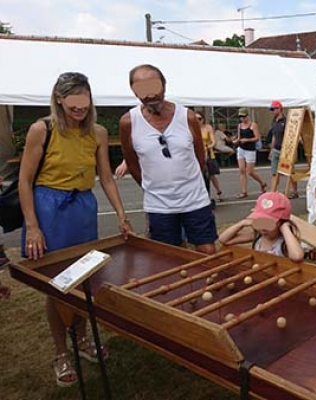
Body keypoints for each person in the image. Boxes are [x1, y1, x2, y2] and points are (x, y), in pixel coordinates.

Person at [19, 72, 134, 386]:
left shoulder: (97, 132)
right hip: (49, 208)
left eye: (85, 104)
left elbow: (106, 177)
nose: (80, 110)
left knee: (84, 278)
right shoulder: (41, 129)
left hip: (83, 207)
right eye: (74, 106)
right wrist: (33, 226)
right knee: (57, 284)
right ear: (59, 99)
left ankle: (82, 341)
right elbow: (25, 181)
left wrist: (121, 214)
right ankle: (61, 353)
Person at [119, 64, 217, 254]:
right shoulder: (128, 122)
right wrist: (152, 187)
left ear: (164, 85)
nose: (150, 95)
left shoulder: (187, 117)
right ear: (134, 91)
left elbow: (199, 156)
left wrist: (189, 182)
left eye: (154, 87)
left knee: (207, 250)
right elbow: (131, 162)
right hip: (158, 205)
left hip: (195, 199)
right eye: (142, 89)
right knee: (167, 256)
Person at [218, 192, 304, 262]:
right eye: (260, 221)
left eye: (269, 223)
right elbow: (224, 240)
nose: (263, 228)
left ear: (281, 222)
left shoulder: (285, 242)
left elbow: (297, 256)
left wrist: (285, 229)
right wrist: (242, 223)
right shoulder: (258, 236)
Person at [233, 107, 267, 198]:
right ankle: (244, 191)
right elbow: (239, 137)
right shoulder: (240, 125)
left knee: (250, 172)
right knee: (242, 170)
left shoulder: (253, 125)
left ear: (247, 116)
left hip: (250, 150)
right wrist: (236, 141)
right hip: (241, 149)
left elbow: (257, 137)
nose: (242, 119)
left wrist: (247, 140)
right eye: (241, 117)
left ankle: (262, 183)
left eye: (244, 117)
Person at [266, 100, 297, 197]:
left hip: (286, 150)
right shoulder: (274, 121)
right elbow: (274, 136)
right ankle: (273, 192)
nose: (271, 111)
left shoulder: (286, 120)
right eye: (271, 109)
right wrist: (271, 149)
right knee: (274, 172)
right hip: (276, 148)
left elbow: (291, 135)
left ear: (279, 109)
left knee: (290, 172)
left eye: (273, 109)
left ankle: (294, 191)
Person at [195, 111, 223, 203]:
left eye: (199, 118)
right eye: (196, 119)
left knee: (211, 175)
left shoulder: (208, 127)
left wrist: (208, 146)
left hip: (207, 152)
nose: (198, 121)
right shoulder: (193, 128)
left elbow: (213, 141)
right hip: (197, 153)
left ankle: (218, 191)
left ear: (203, 119)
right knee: (199, 175)